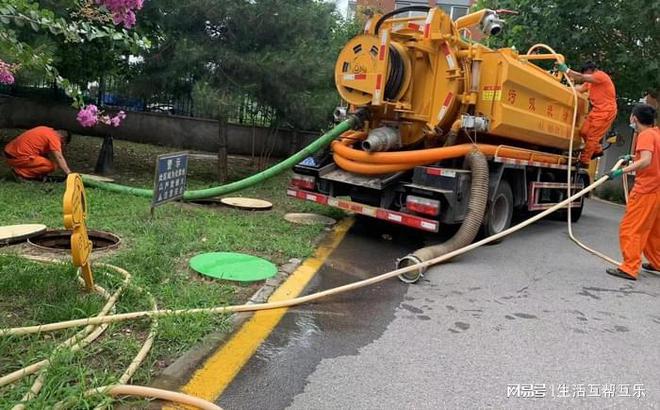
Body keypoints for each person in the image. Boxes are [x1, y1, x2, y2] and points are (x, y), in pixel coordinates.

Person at [605, 104, 659, 281]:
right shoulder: (657, 134)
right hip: (657, 190)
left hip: (646, 190)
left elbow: (646, 161)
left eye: (631, 117)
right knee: (653, 231)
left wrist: (621, 171)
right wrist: (631, 157)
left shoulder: (645, 135)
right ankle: (657, 262)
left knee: (631, 228)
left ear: (635, 118)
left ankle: (629, 267)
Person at [557, 61, 617, 166]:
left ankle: (584, 161)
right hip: (597, 110)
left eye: (586, 73)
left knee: (593, 137)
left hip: (606, 111)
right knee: (584, 132)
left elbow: (581, 77)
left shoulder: (600, 76)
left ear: (591, 70)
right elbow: (579, 89)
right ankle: (597, 150)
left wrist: (566, 70)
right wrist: (564, 88)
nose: (585, 75)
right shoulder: (590, 82)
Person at [3, 126, 73, 180]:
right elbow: (59, 157)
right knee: (51, 166)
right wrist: (69, 173)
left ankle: (19, 169)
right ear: (63, 139)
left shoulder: (46, 129)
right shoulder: (55, 138)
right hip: (18, 157)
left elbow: (43, 153)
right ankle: (20, 173)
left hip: (9, 152)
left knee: (47, 162)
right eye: (62, 144)